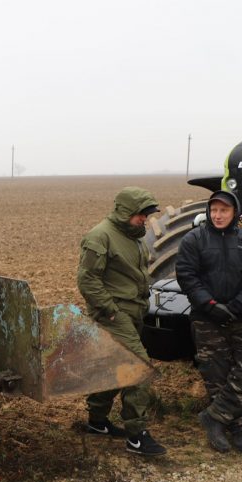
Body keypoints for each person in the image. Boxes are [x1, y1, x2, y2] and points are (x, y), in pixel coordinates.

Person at [176, 190, 242, 455]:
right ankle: (239, 427)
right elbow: (186, 275)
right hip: (206, 317)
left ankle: (214, 417)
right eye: (214, 210)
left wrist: (238, 305)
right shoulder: (194, 239)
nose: (217, 216)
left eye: (224, 211)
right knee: (216, 375)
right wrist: (209, 305)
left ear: (234, 213)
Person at [77, 186, 166, 456]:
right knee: (137, 366)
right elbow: (87, 280)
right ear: (127, 211)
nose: (145, 220)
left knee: (112, 365)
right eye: (142, 215)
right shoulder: (100, 236)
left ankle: (97, 422)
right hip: (114, 314)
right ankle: (136, 435)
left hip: (134, 311)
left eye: (148, 215)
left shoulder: (135, 236)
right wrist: (111, 310)